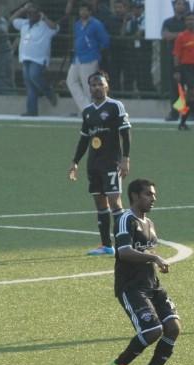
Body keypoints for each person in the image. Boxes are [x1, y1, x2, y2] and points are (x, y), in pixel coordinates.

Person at [108, 179, 181, 365]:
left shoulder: (149, 223)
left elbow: (145, 251)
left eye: (153, 194)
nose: (153, 198)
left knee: (173, 327)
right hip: (131, 287)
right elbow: (124, 251)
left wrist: (155, 262)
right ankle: (120, 364)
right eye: (149, 194)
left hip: (152, 285)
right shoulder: (126, 220)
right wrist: (155, 258)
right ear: (135, 196)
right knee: (152, 331)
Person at [68, 73, 131, 255]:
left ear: (107, 86)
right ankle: (106, 245)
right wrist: (75, 161)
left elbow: (125, 134)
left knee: (115, 202)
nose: (96, 87)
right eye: (93, 85)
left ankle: (124, 243)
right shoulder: (88, 111)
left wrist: (125, 158)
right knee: (100, 203)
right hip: (93, 164)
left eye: (100, 84)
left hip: (112, 163)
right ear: (90, 88)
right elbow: (84, 139)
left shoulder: (115, 106)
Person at [11, 2, 60, 117]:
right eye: (29, 13)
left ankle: (49, 93)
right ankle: (32, 111)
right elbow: (12, 20)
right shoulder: (25, 24)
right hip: (25, 57)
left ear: (39, 14)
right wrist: (23, 9)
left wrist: (44, 17)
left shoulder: (45, 26)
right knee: (30, 86)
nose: (30, 15)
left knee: (34, 76)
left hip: (39, 59)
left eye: (33, 13)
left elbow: (55, 27)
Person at [66, 3, 110, 113]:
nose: (82, 13)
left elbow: (105, 41)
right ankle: (86, 108)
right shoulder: (77, 24)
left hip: (90, 58)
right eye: (81, 10)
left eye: (85, 10)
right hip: (78, 58)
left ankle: (90, 111)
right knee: (71, 81)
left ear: (90, 12)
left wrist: (95, 50)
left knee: (88, 86)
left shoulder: (96, 24)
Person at [161, 0, 189, 121]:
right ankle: (175, 112)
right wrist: (181, 35)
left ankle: (188, 112)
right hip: (172, 57)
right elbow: (165, 36)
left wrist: (174, 35)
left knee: (188, 86)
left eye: (182, 3)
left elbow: (189, 37)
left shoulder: (189, 21)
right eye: (178, 3)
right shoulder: (168, 22)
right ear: (174, 6)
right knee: (174, 87)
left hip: (187, 58)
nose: (180, 6)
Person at [123, 0, 154, 94]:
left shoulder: (146, 19)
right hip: (133, 50)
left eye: (138, 8)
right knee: (132, 72)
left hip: (144, 50)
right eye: (134, 8)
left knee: (144, 72)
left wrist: (131, 36)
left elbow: (139, 33)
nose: (136, 10)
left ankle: (147, 93)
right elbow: (124, 33)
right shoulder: (130, 20)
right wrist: (125, 21)